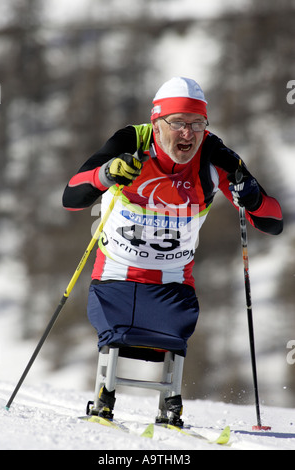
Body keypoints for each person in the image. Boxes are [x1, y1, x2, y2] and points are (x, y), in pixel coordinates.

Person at [63, 77, 283, 424]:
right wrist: (107, 174)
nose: (188, 134)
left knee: (176, 330)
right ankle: (104, 396)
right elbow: (71, 197)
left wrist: (252, 196)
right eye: (178, 123)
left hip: (172, 285)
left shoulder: (215, 155)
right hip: (115, 275)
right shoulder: (131, 142)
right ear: (156, 123)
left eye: (197, 124)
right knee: (113, 328)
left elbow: (273, 221)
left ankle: (171, 403)